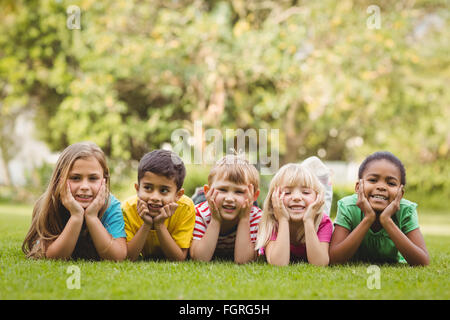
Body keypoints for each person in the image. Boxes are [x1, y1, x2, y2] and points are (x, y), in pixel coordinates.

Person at [22, 142, 127, 261]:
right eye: (75, 178)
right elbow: (54, 257)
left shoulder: (111, 206)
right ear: (59, 180)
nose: (84, 186)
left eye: (93, 178)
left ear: (104, 180)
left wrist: (92, 217)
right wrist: (76, 216)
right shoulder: (48, 204)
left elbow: (118, 257)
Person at [329, 151, 429, 266]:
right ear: (358, 187)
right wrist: (368, 218)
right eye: (372, 180)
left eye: (391, 183)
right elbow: (334, 259)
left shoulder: (406, 210)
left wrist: (387, 220)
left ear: (400, 193)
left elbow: (422, 262)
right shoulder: (348, 207)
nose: (381, 187)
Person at [122, 149, 195, 261]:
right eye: (148, 188)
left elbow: (178, 258)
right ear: (137, 189)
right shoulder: (128, 209)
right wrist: (146, 224)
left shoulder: (185, 208)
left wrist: (160, 224)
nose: (155, 197)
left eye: (164, 190)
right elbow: (127, 258)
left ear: (178, 195)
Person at [255, 163, 332, 266]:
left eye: (305, 192)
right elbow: (279, 264)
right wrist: (283, 220)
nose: (296, 197)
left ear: (317, 197)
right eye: (287, 192)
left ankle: (324, 183)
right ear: (274, 198)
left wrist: (308, 220)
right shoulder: (270, 222)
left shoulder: (323, 222)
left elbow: (320, 263)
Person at [189, 154, 261, 264]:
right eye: (222, 189)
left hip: (242, 207)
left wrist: (244, 219)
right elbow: (199, 259)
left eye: (239, 191)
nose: (230, 198)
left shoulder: (256, 217)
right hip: (206, 203)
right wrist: (215, 220)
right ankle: (201, 193)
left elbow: (243, 261)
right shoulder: (199, 213)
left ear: (255, 195)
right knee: (197, 202)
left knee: (245, 204)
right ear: (208, 191)